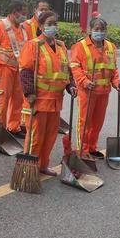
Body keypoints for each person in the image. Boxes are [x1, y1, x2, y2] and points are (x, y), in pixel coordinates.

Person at [19, 11, 77, 176]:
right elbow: (26, 71)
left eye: (55, 24)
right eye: (49, 24)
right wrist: (29, 93)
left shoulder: (61, 46)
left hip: (55, 100)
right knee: (35, 137)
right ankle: (29, 168)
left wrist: (70, 85)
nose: (53, 27)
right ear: (41, 26)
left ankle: (43, 165)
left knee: (50, 136)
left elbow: (66, 70)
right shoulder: (33, 45)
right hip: (38, 99)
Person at [70, 17, 120, 159]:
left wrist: (116, 83)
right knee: (85, 122)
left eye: (102, 30)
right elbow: (74, 66)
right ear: (90, 30)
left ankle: (92, 148)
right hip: (88, 91)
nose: (99, 32)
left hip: (104, 91)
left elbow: (113, 68)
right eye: (96, 29)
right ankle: (83, 150)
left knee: (97, 122)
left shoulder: (111, 47)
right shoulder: (80, 46)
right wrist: (84, 81)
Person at [0, 0, 27, 138]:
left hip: (19, 68)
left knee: (18, 99)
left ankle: (14, 126)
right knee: (2, 99)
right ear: (14, 12)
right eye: (22, 13)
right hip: (4, 68)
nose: (24, 16)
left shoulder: (23, 28)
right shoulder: (1, 26)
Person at [20, 0, 51, 125]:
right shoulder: (25, 26)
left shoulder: (48, 25)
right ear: (35, 11)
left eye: (46, 9)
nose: (43, 12)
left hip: (41, 66)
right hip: (28, 63)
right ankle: (24, 123)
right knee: (26, 95)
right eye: (41, 9)